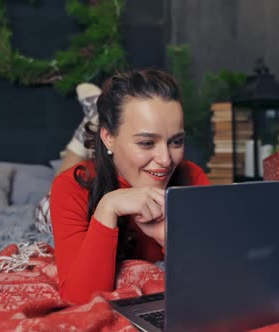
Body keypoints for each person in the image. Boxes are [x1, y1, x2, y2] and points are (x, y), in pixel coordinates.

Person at [49, 69, 210, 304]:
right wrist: (108, 207)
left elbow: (215, 279)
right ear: (109, 138)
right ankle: (85, 128)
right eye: (147, 142)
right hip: (84, 185)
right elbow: (79, 299)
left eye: (176, 141)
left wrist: (170, 238)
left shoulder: (191, 177)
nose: (166, 160)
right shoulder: (71, 187)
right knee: (49, 196)